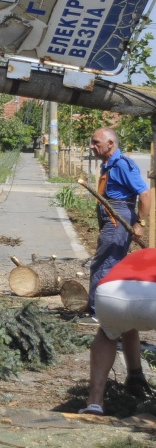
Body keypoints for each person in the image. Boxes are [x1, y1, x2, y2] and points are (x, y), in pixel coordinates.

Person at [80, 247, 156, 416]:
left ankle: (94, 402)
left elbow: (129, 325)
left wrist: (135, 373)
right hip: (152, 295)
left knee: (108, 333)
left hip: (111, 294)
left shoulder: (138, 256)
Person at [87, 127, 151, 317]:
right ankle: (103, 308)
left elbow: (145, 194)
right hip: (110, 214)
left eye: (96, 142)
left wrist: (141, 223)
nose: (92, 146)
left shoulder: (122, 165)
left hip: (118, 215)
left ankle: (100, 311)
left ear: (110, 144)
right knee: (107, 261)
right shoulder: (109, 164)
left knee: (104, 263)